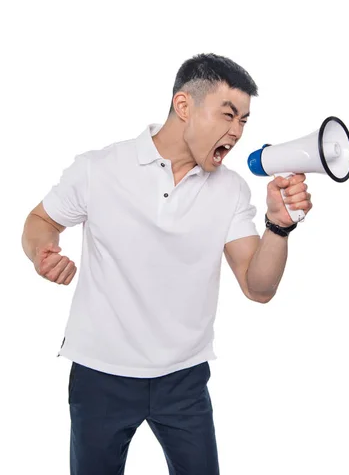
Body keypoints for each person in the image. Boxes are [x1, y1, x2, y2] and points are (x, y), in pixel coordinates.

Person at [21, 53, 312, 474]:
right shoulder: (98, 168)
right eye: (228, 115)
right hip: (101, 374)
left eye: (244, 120)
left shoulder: (230, 190)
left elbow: (258, 287)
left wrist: (278, 227)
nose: (236, 132)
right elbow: (40, 220)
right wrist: (42, 252)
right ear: (183, 106)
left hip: (184, 379)